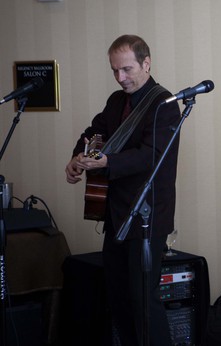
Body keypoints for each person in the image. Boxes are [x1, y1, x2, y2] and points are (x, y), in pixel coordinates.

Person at [65, 34, 180, 346]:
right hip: (115, 214)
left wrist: (106, 162)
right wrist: (79, 157)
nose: (121, 77)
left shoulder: (165, 104)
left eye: (127, 69)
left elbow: (151, 155)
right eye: (115, 70)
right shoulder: (117, 101)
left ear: (146, 63)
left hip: (147, 217)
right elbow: (94, 131)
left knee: (144, 299)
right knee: (117, 298)